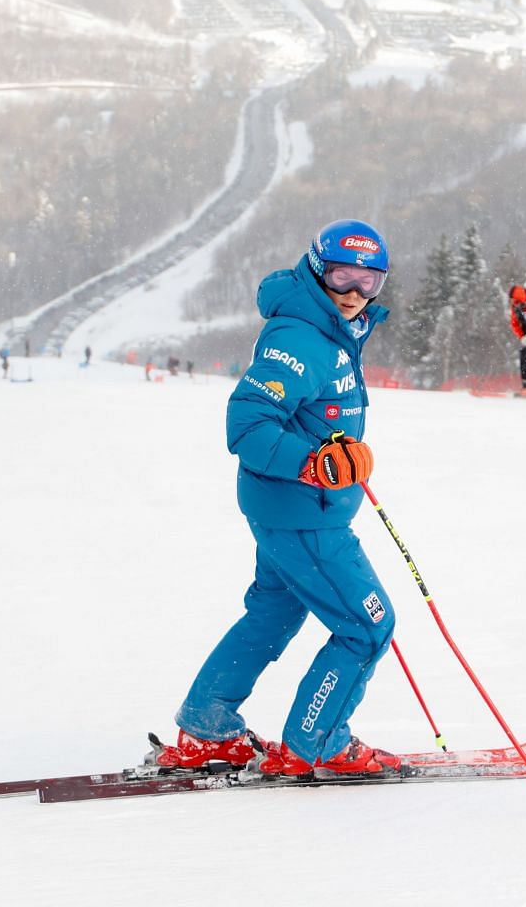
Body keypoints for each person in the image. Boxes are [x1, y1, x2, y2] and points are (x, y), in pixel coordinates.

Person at [163, 219, 399, 778]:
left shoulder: (329, 329)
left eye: (370, 282)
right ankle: (317, 743)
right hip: (303, 515)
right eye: (342, 276)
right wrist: (315, 463)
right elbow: (247, 425)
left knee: (273, 611)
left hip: (287, 510)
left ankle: (206, 726)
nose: (354, 294)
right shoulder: (300, 338)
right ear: (318, 269)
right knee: (367, 626)